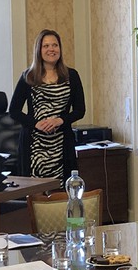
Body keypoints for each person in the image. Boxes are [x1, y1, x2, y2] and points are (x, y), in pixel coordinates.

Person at [8, 29, 86, 181]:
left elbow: (80, 110)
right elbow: (14, 111)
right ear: (39, 50)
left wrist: (60, 120)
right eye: (46, 46)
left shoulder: (72, 75)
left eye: (55, 45)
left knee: (62, 189)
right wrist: (35, 124)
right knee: (35, 190)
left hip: (61, 143)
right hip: (34, 145)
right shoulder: (28, 76)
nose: (51, 49)